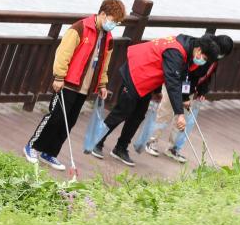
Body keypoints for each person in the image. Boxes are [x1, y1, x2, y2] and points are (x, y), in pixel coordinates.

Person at [22, 0, 126, 170]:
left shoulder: (108, 38)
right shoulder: (80, 28)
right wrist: (59, 77)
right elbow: (63, 53)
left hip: (84, 88)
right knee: (55, 117)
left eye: (117, 22)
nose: (113, 25)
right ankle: (32, 147)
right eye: (112, 20)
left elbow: (104, 64)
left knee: (69, 121)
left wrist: (102, 84)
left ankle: (50, 153)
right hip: (68, 83)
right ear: (102, 14)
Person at [89, 33, 220, 166]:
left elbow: (181, 75)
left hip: (148, 78)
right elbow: (172, 83)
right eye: (204, 58)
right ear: (199, 50)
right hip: (136, 71)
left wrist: (178, 96)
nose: (203, 61)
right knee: (122, 111)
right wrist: (179, 114)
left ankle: (120, 148)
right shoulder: (176, 52)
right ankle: (96, 141)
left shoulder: (190, 48)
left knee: (138, 115)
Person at [138, 34, 234, 162]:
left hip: (189, 89)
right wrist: (184, 96)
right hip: (175, 84)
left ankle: (172, 148)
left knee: (182, 120)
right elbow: (188, 75)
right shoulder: (203, 52)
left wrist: (201, 92)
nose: (220, 56)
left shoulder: (213, 58)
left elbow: (207, 76)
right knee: (165, 113)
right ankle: (151, 141)